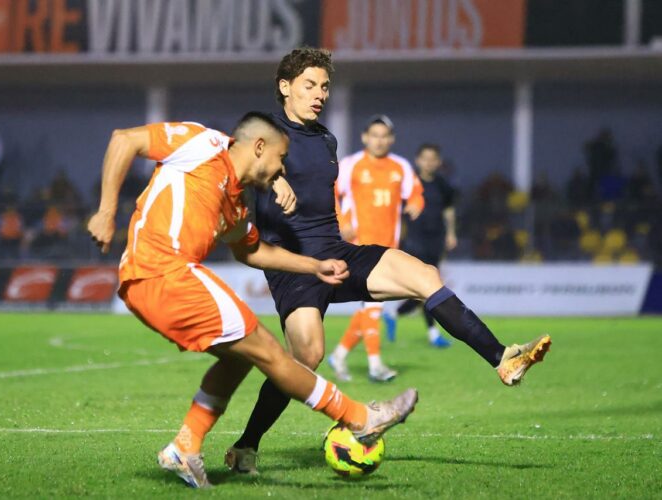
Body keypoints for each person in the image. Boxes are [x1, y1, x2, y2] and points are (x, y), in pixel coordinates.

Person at [226, 48, 551, 474]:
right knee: (306, 355)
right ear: (285, 87)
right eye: (310, 85)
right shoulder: (263, 131)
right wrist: (273, 180)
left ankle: (502, 358)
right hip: (293, 264)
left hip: (337, 252)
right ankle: (246, 446)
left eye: (325, 86)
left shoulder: (326, 139)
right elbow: (232, 162)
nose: (320, 94)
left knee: (425, 275)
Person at [86, 112, 418, 489]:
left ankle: (185, 447)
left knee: (239, 358)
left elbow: (253, 251)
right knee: (271, 354)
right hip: (164, 271)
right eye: (281, 159)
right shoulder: (203, 144)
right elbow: (124, 138)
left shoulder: (235, 201)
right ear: (260, 147)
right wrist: (106, 212)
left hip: (149, 283)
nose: (282, 170)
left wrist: (314, 266)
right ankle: (360, 418)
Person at [325, 114, 425, 383]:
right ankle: (375, 365)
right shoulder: (351, 165)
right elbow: (330, 193)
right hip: (357, 245)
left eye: (384, 136)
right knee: (373, 303)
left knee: (370, 305)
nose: (379, 141)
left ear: (391, 139)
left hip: (388, 248)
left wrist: (416, 203)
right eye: (375, 135)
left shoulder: (400, 167)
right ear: (365, 137)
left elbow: (416, 193)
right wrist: (342, 222)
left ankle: (340, 355)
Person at [383, 143, 458, 348]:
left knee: (423, 290)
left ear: (438, 162)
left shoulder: (443, 185)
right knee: (429, 287)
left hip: (436, 240)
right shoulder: (409, 183)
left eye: (433, 159)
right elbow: (395, 210)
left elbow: (448, 210)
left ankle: (393, 313)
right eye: (425, 158)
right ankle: (433, 334)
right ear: (418, 160)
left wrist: (451, 233)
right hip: (414, 241)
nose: (429, 163)